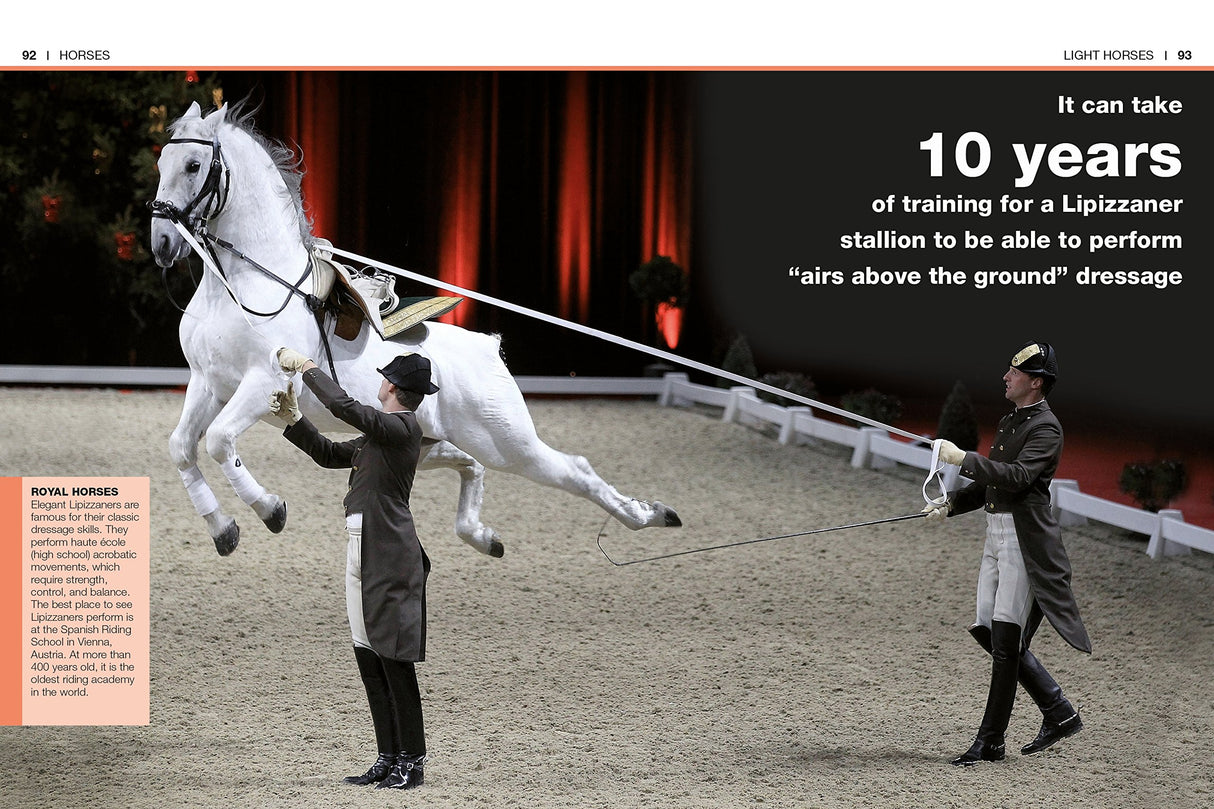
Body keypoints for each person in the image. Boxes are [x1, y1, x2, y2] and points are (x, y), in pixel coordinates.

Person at [268, 347, 440, 790]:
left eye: (383, 379)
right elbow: (328, 454)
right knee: (369, 655)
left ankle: (413, 760)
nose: (378, 383)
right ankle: (387, 755)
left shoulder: (401, 427)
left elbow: (344, 407)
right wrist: (293, 422)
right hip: (362, 546)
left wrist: (308, 369)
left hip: (387, 551)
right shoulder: (382, 435)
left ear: (392, 388)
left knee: (394, 659)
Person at [923, 340, 1090, 767]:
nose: (1005, 377)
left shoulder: (1047, 428)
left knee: (1005, 641)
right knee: (986, 628)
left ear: (1035, 382)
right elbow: (992, 484)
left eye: (1014, 373)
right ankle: (1057, 708)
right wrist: (951, 504)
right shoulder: (1011, 421)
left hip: (1023, 540)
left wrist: (962, 458)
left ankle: (991, 739)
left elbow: (1016, 477)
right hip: (995, 534)